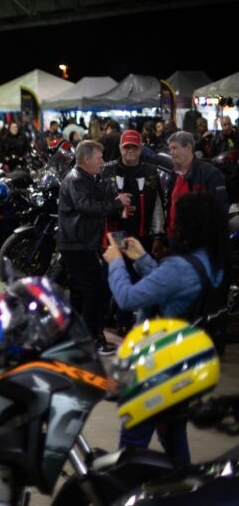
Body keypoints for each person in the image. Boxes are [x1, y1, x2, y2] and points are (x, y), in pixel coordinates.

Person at [104, 191, 227, 465]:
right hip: (187, 361)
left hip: (157, 366)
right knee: (173, 434)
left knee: (133, 444)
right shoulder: (212, 260)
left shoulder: (180, 267)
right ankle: (182, 488)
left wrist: (116, 263)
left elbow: (127, 298)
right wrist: (142, 259)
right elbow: (172, 290)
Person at [57, 140, 131, 354]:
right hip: (76, 245)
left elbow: (97, 200)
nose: (102, 161)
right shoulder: (76, 179)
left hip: (82, 243)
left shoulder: (87, 178)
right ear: (87, 159)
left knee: (81, 292)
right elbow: (86, 206)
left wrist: (115, 199)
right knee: (96, 291)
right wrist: (117, 203)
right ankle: (92, 339)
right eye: (99, 157)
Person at [101, 129, 165, 250]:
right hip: (116, 234)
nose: (130, 151)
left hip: (143, 235)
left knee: (140, 266)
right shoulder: (106, 171)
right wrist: (117, 209)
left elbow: (157, 205)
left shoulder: (150, 171)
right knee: (118, 266)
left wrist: (158, 236)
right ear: (120, 148)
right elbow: (99, 205)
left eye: (134, 147)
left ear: (141, 149)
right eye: (127, 147)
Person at [165, 131, 227, 239]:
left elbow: (219, 210)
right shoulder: (174, 174)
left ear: (188, 147)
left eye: (174, 148)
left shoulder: (210, 173)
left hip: (198, 242)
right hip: (175, 239)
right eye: (170, 149)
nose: (171, 152)